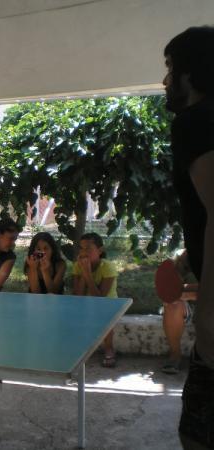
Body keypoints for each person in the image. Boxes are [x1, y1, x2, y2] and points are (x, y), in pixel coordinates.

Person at [163, 26, 214, 449]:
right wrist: (189, 255)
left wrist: (210, 318)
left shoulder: (195, 122)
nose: (165, 80)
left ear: (191, 74)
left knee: (197, 434)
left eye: (170, 68)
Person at [72, 232, 118, 367]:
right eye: (81, 248)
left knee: (106, 316)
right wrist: (84, 271)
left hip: (106, 303)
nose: (84, 252)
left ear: (100, 250)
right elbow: (78, 295)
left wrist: (87, 274)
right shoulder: (77, 266)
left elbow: (100, 298)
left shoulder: (108, 267)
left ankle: (109, 349)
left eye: (88, 248)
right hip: (85, 303)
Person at [161, 251, 199, 375]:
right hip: (190, 306)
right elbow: (170, 289)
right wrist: (183, 293)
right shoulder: (190, 253)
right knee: (172, 305)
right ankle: (175, 355)